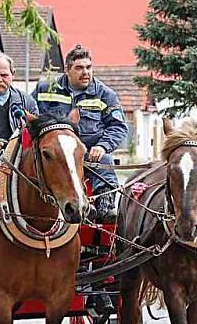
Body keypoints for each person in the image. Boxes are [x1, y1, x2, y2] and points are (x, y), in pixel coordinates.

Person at [32, 45, 128, 223]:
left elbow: (118, 127)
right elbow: (32, 117)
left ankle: (104, 207)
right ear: (67, 70)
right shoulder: (45, 89)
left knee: (104, 159)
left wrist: (102, 146)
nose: (85, 72)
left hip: (88, 153)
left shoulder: (106, 95)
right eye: (79, 68)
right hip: (57, 154)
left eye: (88, 67)